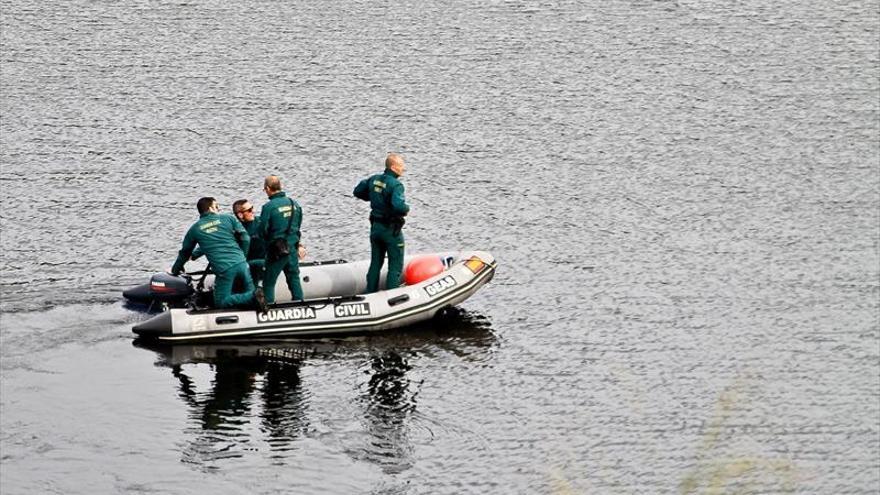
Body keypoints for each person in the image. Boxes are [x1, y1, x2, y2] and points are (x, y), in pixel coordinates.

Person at [171, 197, 266, 311]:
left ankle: (253, 296)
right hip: (242, 264)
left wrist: (175, 270)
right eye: (216, 207)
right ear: (210, 208)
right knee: (250, 294)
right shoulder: (228, 218)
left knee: (221, 302)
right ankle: (255, 297)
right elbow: (245, 238)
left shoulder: (195, 229)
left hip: (224, 269)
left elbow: (184, 253)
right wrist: (243, 256)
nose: (218, 209)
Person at [353, 153, 410, 293]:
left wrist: (372, 197)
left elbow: (358, 191)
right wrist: (406, 209)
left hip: (375, 228)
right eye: (401, 166)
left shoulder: (374, 179)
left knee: (376, 263)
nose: (403, 169)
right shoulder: (396, 185)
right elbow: (398, 206)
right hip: (391, 230)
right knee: (395, 266)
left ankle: (370, 291)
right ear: (393, 167)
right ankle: (392, 295)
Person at [259, 176, 306, 304]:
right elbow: (298, 226)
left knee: (269, 281)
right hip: (292, 247)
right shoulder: (294, 203)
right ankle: (300, 303)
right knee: (293, 278)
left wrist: (266, 243)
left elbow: (262, 229)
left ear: (268, 188)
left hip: (276, 250)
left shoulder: (269, 207)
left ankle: (267, 308)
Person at [231, 199, 266, 285]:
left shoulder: (261, 222)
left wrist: (298, 245)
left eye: (252, 208)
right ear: (240, 215)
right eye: (249, 210)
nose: (253, 211)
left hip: (263, 261)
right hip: (247, 264)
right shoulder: (235, 229)